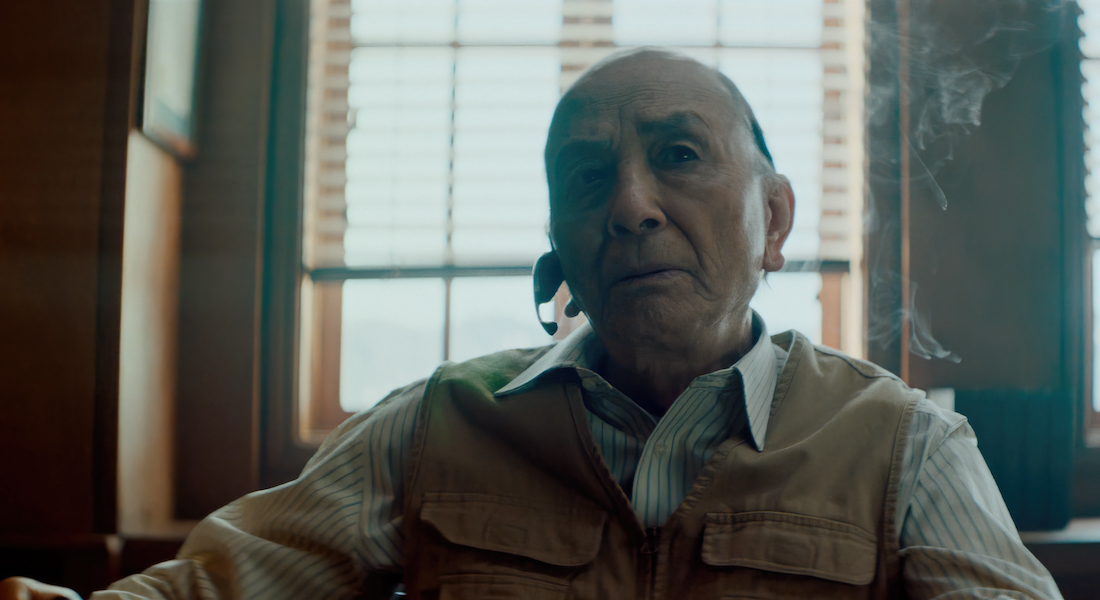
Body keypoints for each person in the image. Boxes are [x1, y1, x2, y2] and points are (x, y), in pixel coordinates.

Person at [3, 48, 1062, 600]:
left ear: (773, 218)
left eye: (679, 156)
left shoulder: (903, 446)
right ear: (560, 239)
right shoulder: (434, 425)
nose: (631, 205)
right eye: (587, 176)